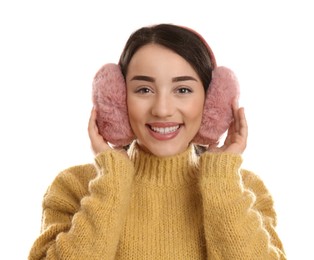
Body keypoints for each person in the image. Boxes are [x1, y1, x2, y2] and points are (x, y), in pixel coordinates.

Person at [28, 23, 286, 259]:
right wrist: (113, 182)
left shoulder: (246, 191)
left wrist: (221, 183)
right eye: (144, 90)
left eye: (182, 90)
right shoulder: (73, 187)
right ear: (117, 100)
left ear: (211, 103)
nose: (162, 109)